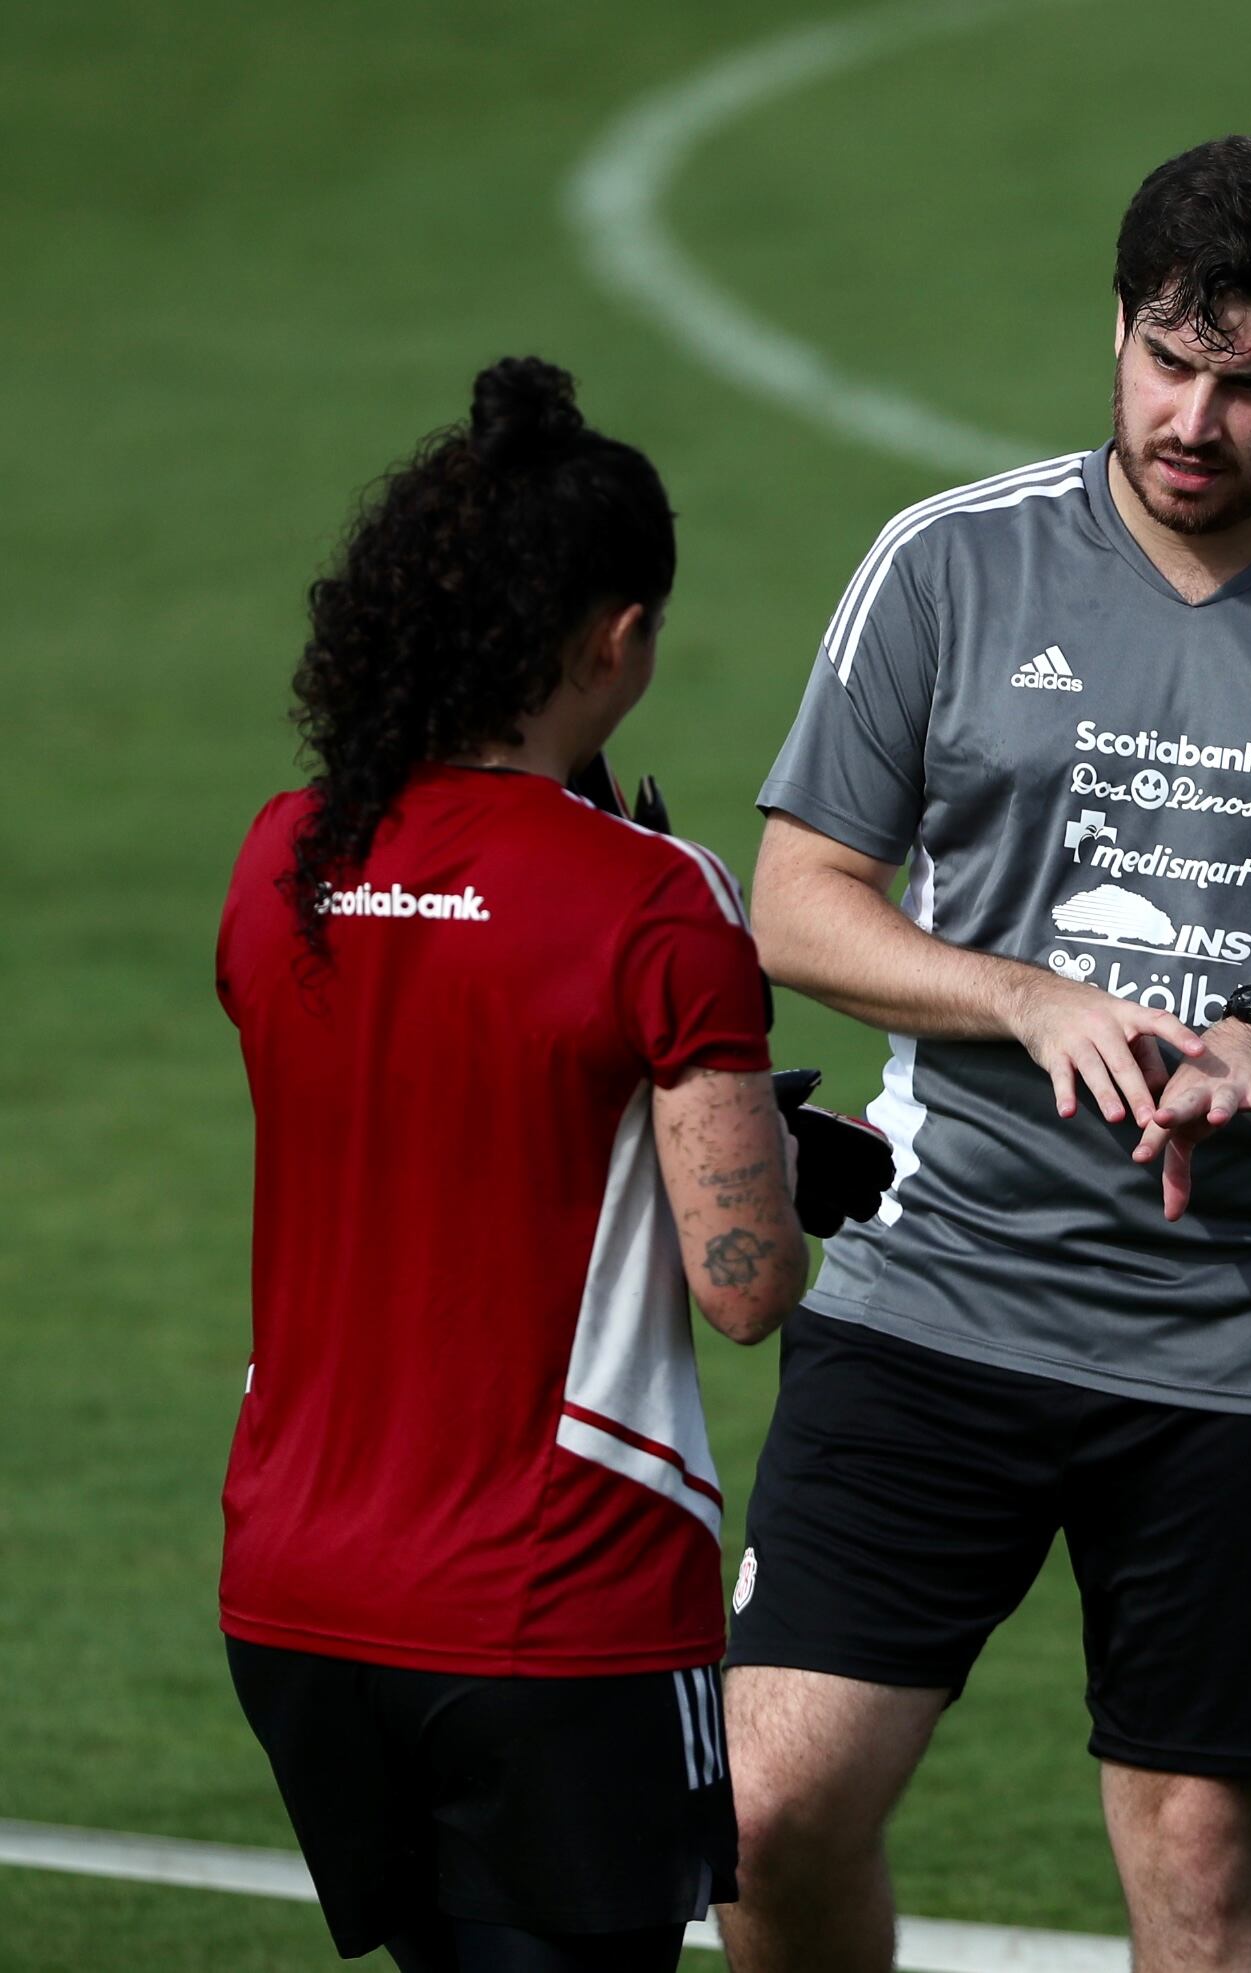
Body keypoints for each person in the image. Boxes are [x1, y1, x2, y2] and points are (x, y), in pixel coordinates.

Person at [723, 133, 1251, 1973]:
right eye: (1169, 363)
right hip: (935, 1287)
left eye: (1250, 383)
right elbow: (797, 902)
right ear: (1117, 329)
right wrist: (1022, 994)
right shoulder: (947, 564)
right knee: (767, 1816)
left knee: (1199, 1882)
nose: (1197, 417)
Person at [214, 359, 810, 1973]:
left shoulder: (283, 858)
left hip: (298, 1591)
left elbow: (427, 1095)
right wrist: (787, 1160)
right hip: (558, 1602)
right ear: (615, 637)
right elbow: (744, 1286)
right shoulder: (654, 896)